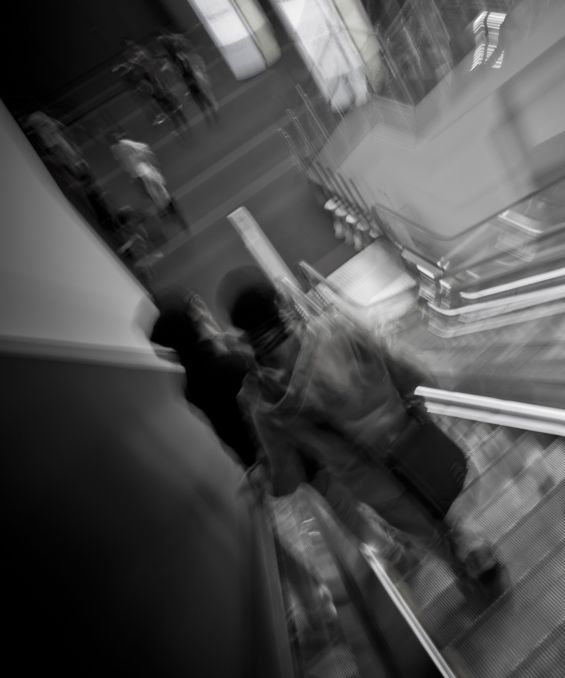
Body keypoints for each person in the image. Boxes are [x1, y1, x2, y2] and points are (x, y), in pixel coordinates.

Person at [217, 267, 504, 603]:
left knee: (432, 537)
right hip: (416, 443)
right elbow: (412, 372)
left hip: (373, 485)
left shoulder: (262, 402)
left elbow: (289, 478)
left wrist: (268, 480)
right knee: (451, 509)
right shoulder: (336, 330)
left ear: (241, 332)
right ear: (280, 301)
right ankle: (482, 559)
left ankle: (471, 581)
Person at [147, 289, 261, 469]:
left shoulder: (192, 383)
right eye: (196, 310)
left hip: (255, 464)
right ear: (193, 324)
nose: (203, 311)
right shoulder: (232, 366)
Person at [109, 132, 189, 232]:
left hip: (142, 172)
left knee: (155, 192)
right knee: (151, 193)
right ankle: (166, 208)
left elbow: (142, 148)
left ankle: (167, 208)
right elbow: (127, 160)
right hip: (138, 174)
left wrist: (148, 159)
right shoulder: (116, 149)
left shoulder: (126, 145)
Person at [159, 32, 218, 122]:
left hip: (191, 76)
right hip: (189, 77)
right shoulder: (176, 54)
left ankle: (212, 113)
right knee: (201, 97)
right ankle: (211, 115)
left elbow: (185, 63)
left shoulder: (178, 51)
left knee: (202, 96)